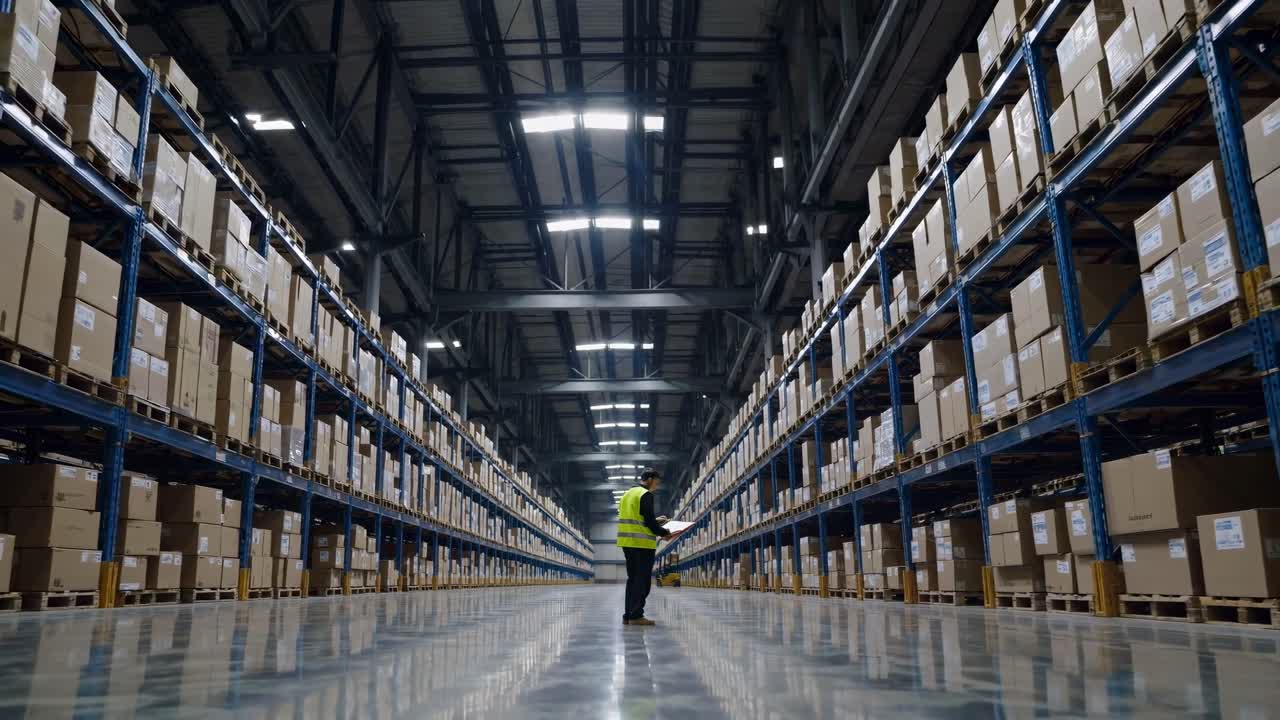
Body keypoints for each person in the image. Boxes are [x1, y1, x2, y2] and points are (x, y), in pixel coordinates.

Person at [616, 470, 670, 627]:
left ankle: (628, 615)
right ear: (650, 479)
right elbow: (648, 523)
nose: (657, 486)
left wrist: (655, 520)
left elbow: (638, 517)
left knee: (632, 580)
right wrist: (663, 532)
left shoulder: (628, 494)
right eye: (657, 482)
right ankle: (636, 615)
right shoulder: (645, 495)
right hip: (642, 545)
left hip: (628, 542)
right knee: (642, 581)